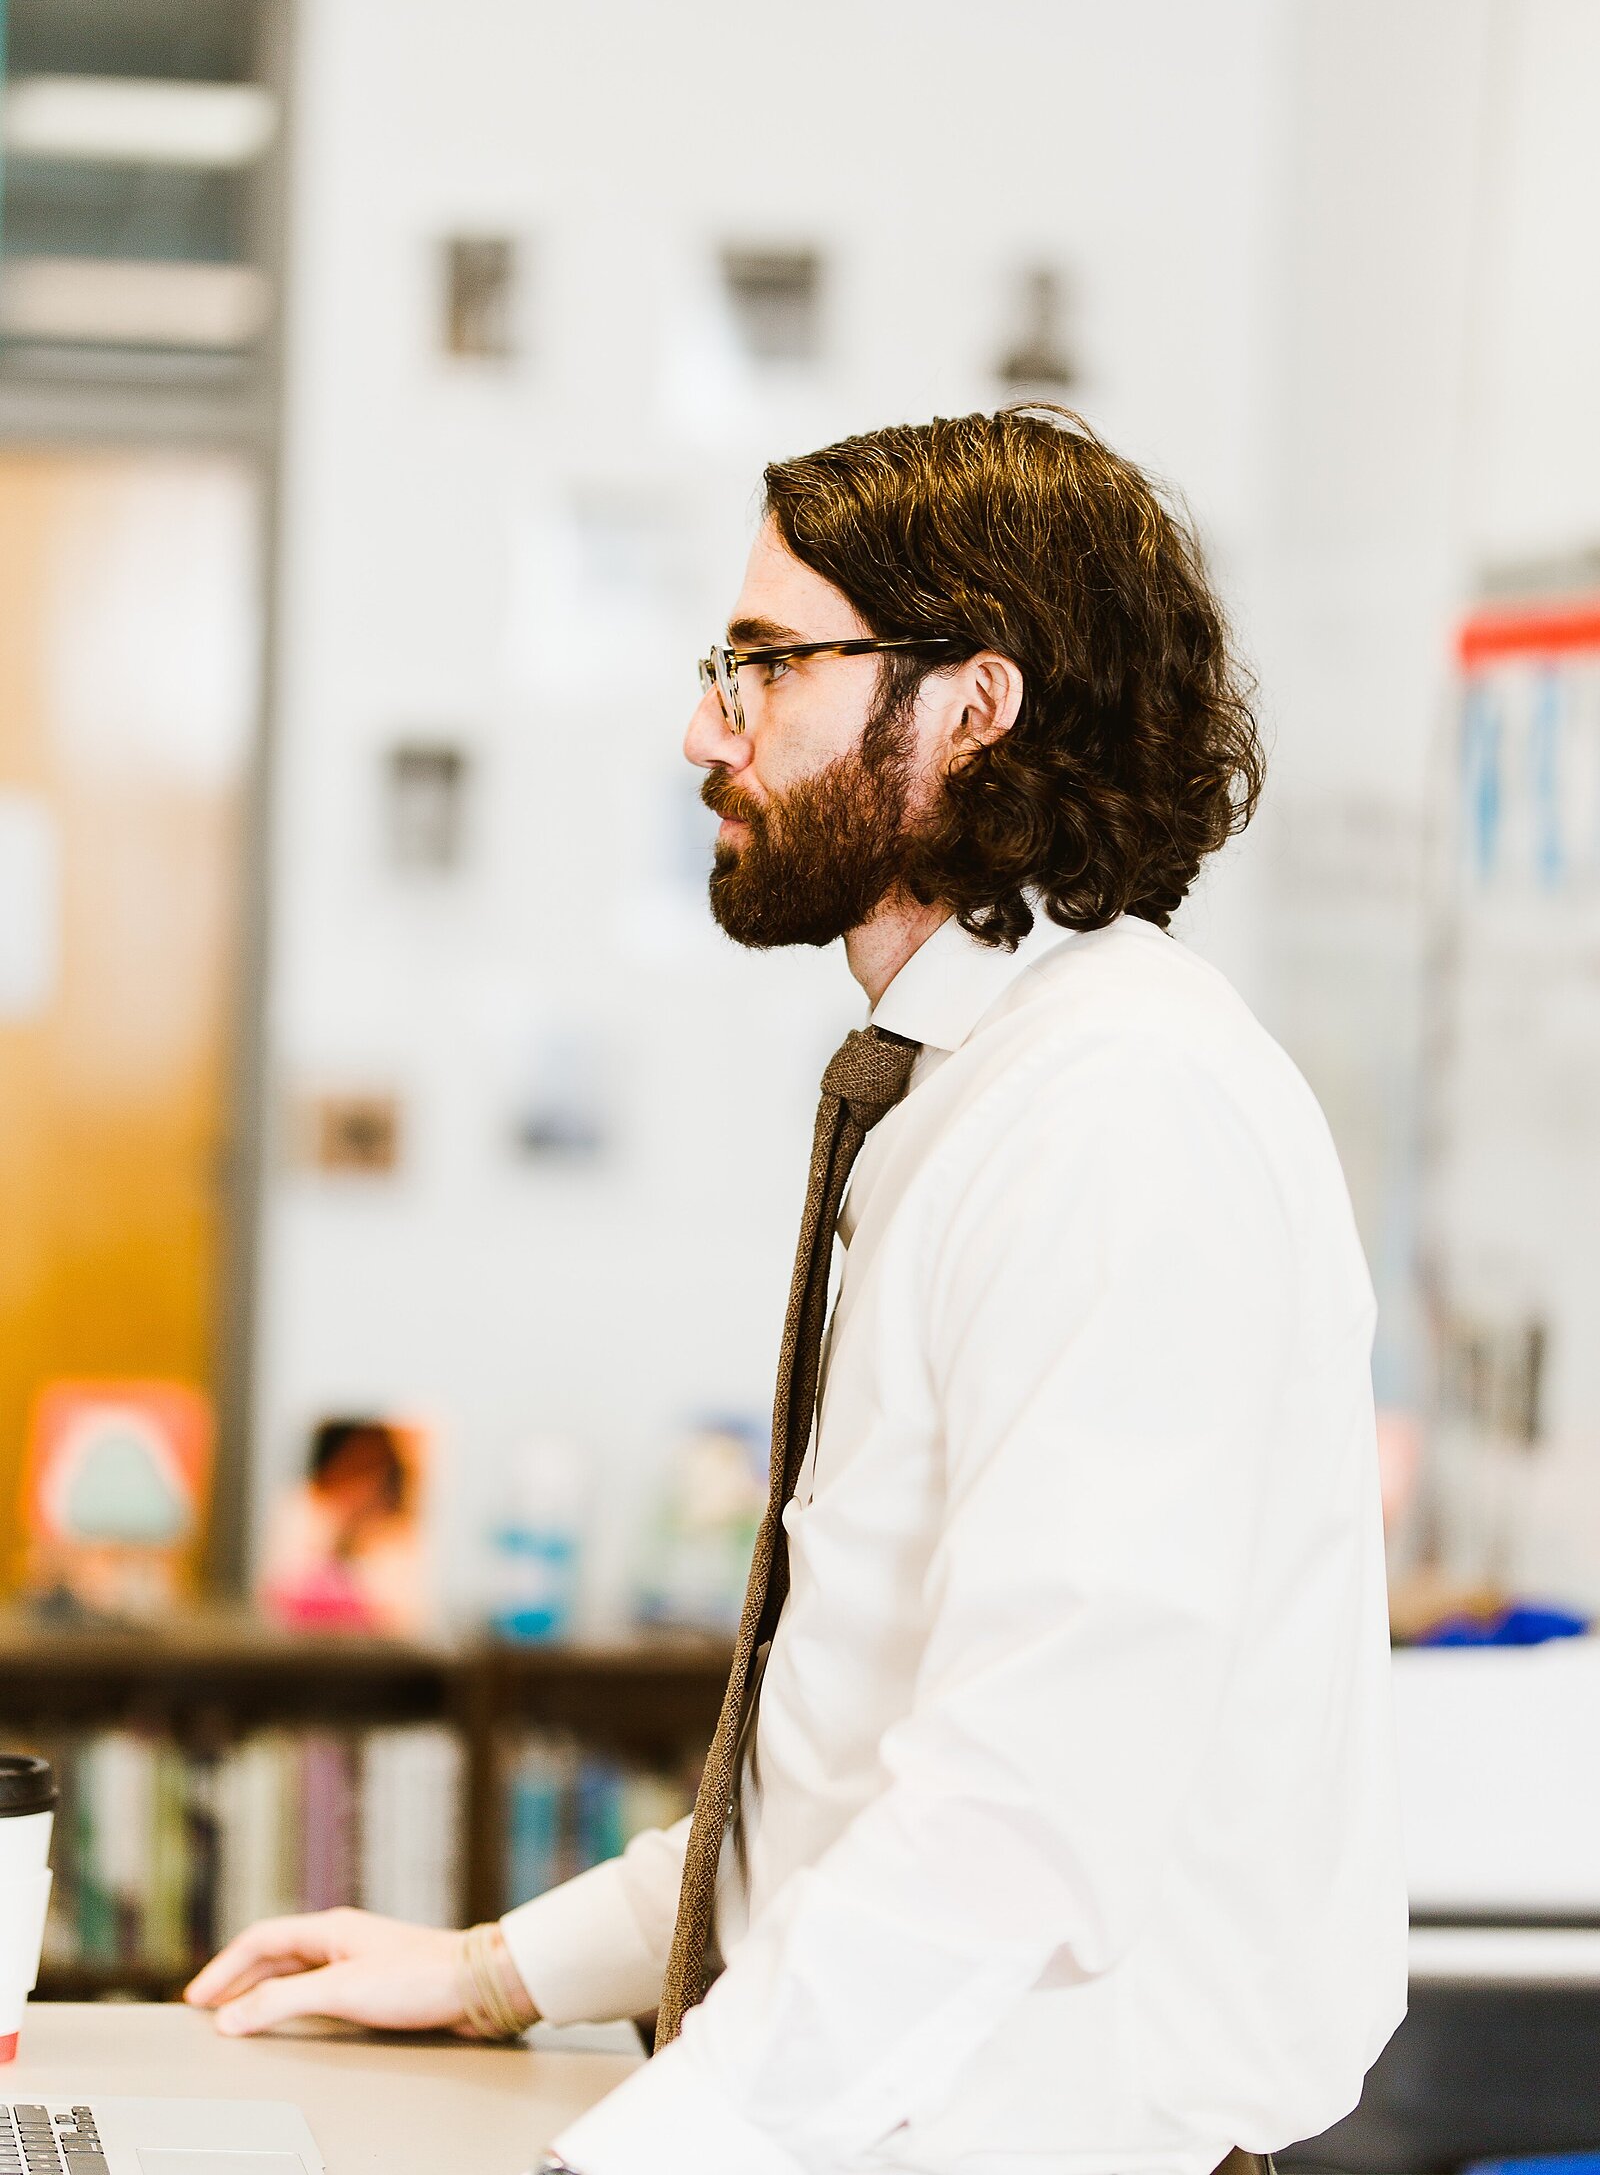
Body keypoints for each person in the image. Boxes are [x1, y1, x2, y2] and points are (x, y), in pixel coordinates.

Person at [187, 409, 1408, 2175]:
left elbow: (1018, 1820)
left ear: (972, 708)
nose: (705, 729)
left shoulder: (1127, 1122)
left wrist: (628, 2160)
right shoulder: (967, 1087)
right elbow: (840, 1766)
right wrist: (488, 1973)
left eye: (765, 664)